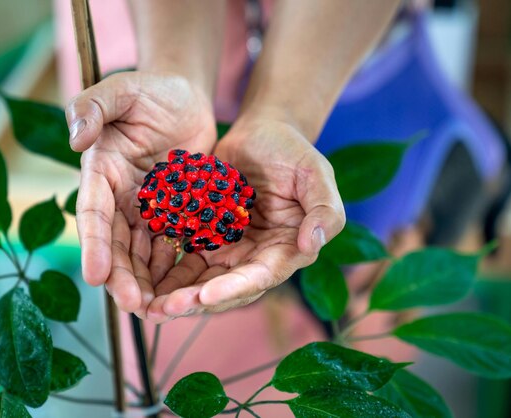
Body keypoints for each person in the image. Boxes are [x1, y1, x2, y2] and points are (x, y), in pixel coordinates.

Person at [65, 0, 402, 323]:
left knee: (353, 299)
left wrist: (283, 116)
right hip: (157, 26)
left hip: (329, 50)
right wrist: (176, 74)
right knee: (169, 308)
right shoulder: (181, 190)